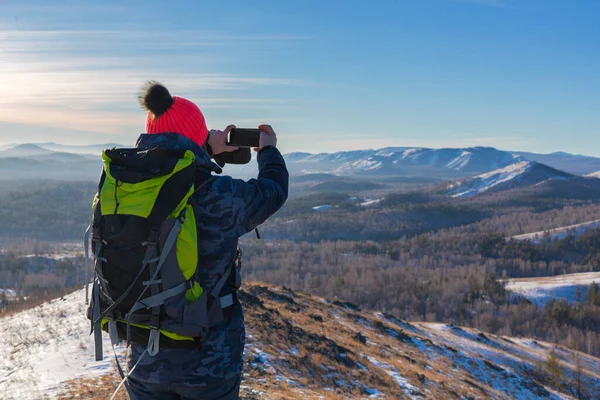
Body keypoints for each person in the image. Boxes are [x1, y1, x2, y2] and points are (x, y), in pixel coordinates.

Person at [125, 81, 289, 399]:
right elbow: (272, 192)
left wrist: (206, 150)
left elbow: (177, 170)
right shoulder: (216, 196)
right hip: (209, 361)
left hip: (145, 357)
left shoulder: (128, 188)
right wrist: (268, 150)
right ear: (195, 135)